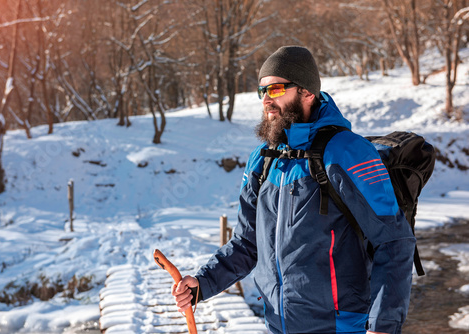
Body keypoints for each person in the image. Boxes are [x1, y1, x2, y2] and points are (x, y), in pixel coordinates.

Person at [172, 46, 415, 334]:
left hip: (340, 326)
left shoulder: (346, 151)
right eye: (262, 91)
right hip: (279, 325)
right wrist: (203, 283)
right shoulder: (262, 159)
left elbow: (394, 241)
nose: (266, 100)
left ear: (307, 92)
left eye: (275, 89)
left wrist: (383, 326)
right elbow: (248, 244)